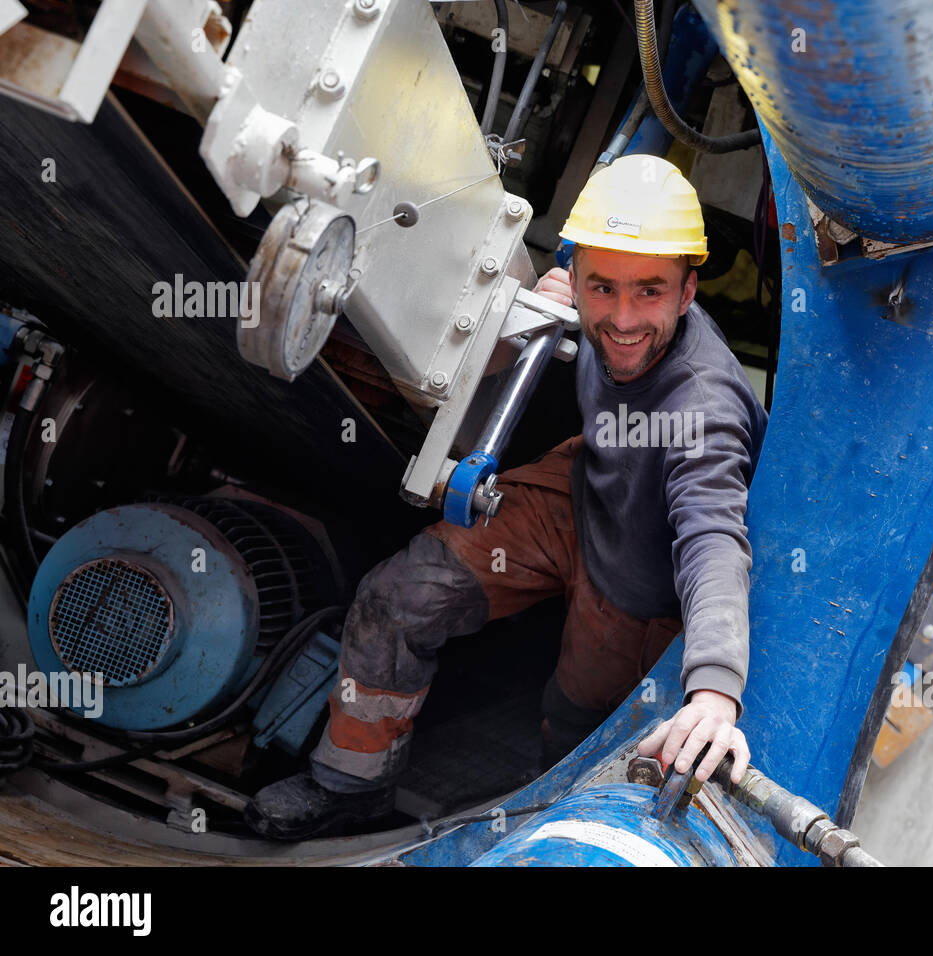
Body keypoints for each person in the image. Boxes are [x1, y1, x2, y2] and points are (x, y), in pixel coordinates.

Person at [245, 154, 768, 840]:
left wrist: (715, 692)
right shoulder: (590, 309)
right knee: (399, 597)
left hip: (646, 562)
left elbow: (712, 537)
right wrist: (528, 309)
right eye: (600, 287)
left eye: (649, 291)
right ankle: (351, 786)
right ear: (575, 276)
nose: (621, 317)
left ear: (688, 292)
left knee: (576, 724)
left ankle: (533, 830)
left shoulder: (707, 408)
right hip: (583, 488)